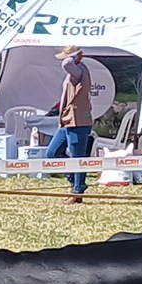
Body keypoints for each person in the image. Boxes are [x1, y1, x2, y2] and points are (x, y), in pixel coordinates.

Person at [50, 46, 96, 204]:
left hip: (78, 121)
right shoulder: (75, 71)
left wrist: (75, 55)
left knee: (78, 158)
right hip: (67, 120)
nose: (64, 59)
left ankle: (78, 191)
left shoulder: (79, 70)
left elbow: (66, 64)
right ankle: (75, 182)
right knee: (53, 152)